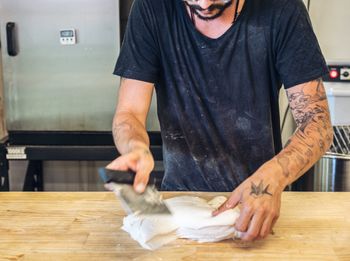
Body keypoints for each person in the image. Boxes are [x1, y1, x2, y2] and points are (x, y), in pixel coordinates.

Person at [106, 0, 333, 242]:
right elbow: (128, 113)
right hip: (178, 202)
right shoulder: (152, 7)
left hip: (258, 200)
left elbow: (317, 125)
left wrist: (274, 177)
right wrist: (136, 148)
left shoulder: (282, 9)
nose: (204, 4)